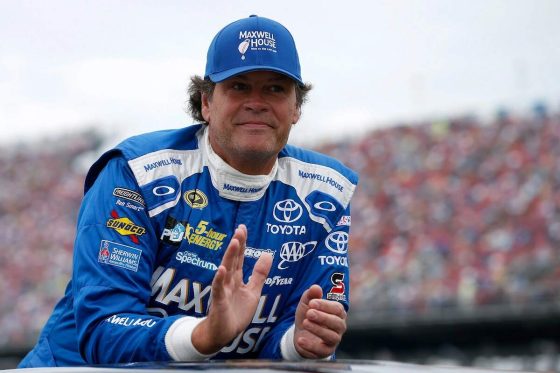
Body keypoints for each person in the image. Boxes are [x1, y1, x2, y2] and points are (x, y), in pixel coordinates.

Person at [19, 15, 358, 367]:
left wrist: (299, 343)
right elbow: (104, 329)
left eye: (275, 88)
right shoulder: (136, 173)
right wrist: (205, 335)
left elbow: (293, 337)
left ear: (296, 108)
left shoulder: (329, 192)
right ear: (206, 103)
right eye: (239, 86)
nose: (256, 102)